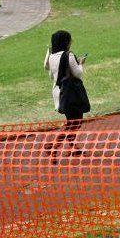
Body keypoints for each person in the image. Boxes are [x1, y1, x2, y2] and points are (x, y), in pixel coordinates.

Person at [44, 30, 86, 159]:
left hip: (59, 92)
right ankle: (53, 146)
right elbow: (78, 74)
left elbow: (50, 73)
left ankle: (72, 147)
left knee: (71, 121)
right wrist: (81, 63)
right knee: (75, 123)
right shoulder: (69, 55)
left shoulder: (51, 56)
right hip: (71, 93)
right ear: (65, 42)